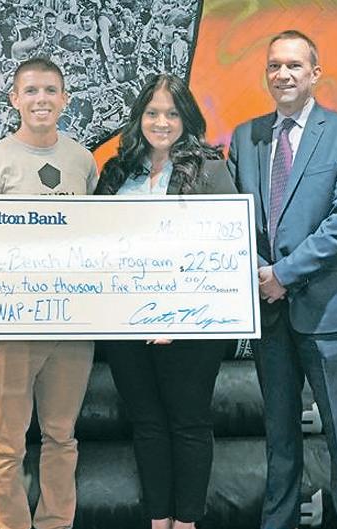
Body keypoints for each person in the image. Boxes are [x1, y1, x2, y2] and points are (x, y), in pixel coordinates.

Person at [227, 30, 337, 529]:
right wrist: (258, 275)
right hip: (268, 315)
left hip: (326, 309)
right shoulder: (245, 137)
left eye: (293, 65)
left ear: (315, 73)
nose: (283, 74)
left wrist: (282, 275)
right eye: (274, 66)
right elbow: (234, 220)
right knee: (279, 437)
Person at [95, 73, 236, 529]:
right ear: (139, 118)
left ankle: (187, 522)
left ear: (186, 118)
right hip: (126, 326)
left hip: (191, 327)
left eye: (172, 113)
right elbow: (95, 247)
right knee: (147, 423)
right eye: (152, 113)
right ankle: (159, 520)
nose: (162, 122)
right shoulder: (116, 172)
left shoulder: (211, 170)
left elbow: (223, 250)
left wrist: (176, 314)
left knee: (189, 423)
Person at [0, 57, 96, 529]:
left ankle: (57, 522)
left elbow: (95, 236)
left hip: (70, 325)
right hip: (10, 329)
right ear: (14, 99)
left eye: (51, 91)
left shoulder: (82, 161)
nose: (42, 99)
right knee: (7, 443)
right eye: (32, 91)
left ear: (65, 99)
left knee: (62, 436)